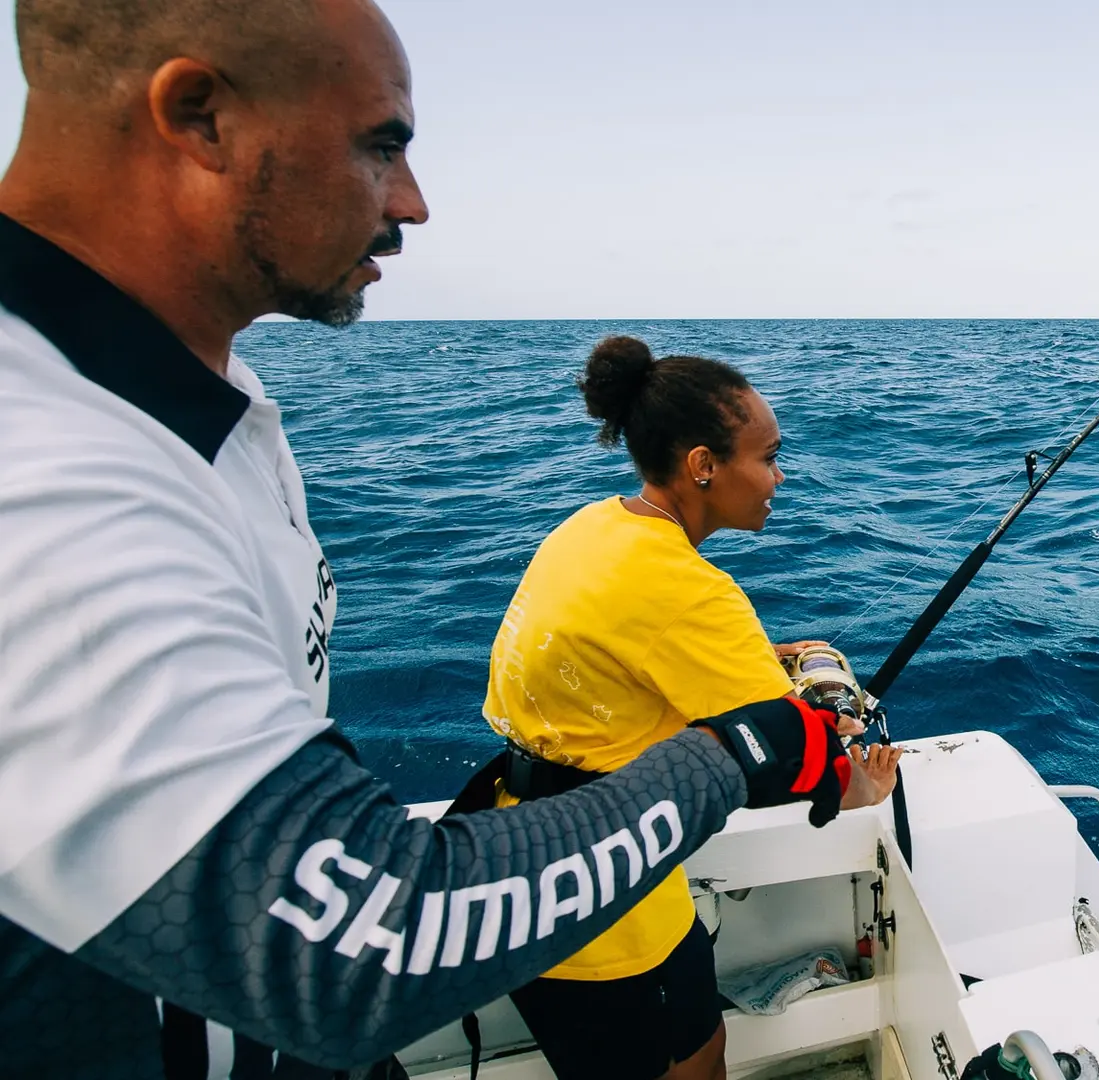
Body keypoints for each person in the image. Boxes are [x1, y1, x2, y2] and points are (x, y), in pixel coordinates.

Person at [0, 1, 849, 1076]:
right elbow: (362, 943)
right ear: (198, 117)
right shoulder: (38, 464)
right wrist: (735, 753)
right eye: (382, 145)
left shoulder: (216, 406)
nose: (413, 202)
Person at [477, 334, 903, 1080]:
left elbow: (623, 656)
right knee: (692, 1066)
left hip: (518, 858)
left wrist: (764, 663)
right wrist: (863, 784)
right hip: (604, 903)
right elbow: (799, 758)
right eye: (767, 456)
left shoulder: (595, 528)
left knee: (674, 1053)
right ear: (703, 466)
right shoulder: (693, 592)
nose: (779, 476)